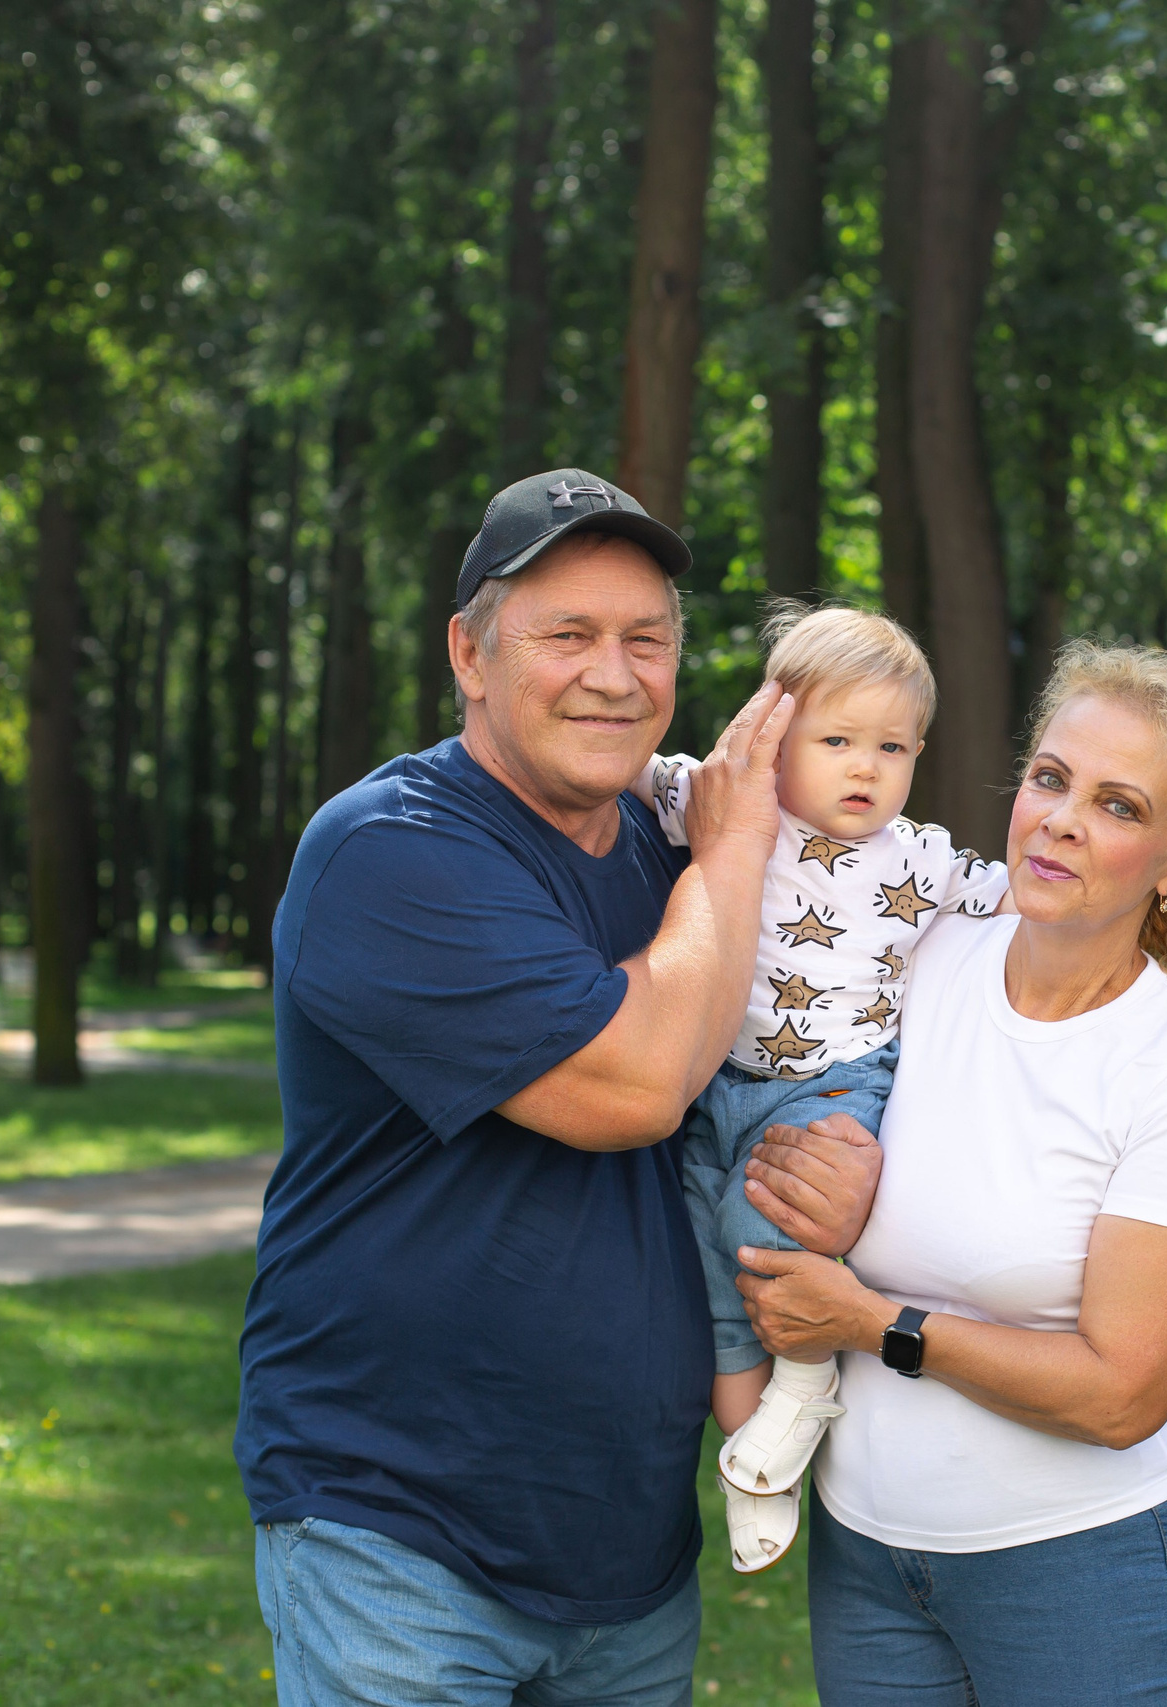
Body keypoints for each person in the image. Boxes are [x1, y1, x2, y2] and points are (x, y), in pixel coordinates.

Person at [234, 468, 880, 1707]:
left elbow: (774, 1069)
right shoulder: (391, 851)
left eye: (647, 640)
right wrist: (739, 844)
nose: (614, 674)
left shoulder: (668, 854)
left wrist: (833, 1167)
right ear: (469, 656)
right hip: (398, 1529)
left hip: (625, 1551)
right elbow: (634, 1087)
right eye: (567, 635)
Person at [737, 642, 1167, 1707]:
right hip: (867, 1564)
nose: (1063, 819)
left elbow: (1124, 1395)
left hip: (1077, 1570)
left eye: (1118, 806)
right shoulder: (914, 958)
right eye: (1052, 778)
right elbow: (760, 1092)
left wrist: (874, 1322)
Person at [643, 603, 1009, 1574]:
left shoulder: (919, 859)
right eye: (836, 739)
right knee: (706, 1265)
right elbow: (622, 772)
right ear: (773, 733)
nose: (863, 766)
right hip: (718, 1082)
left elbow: (1020, 897)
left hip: (832, 1087)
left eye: (891, 747)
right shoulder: (728, 807)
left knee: (761, 1234)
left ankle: (802, 1393)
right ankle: (748, 1465)